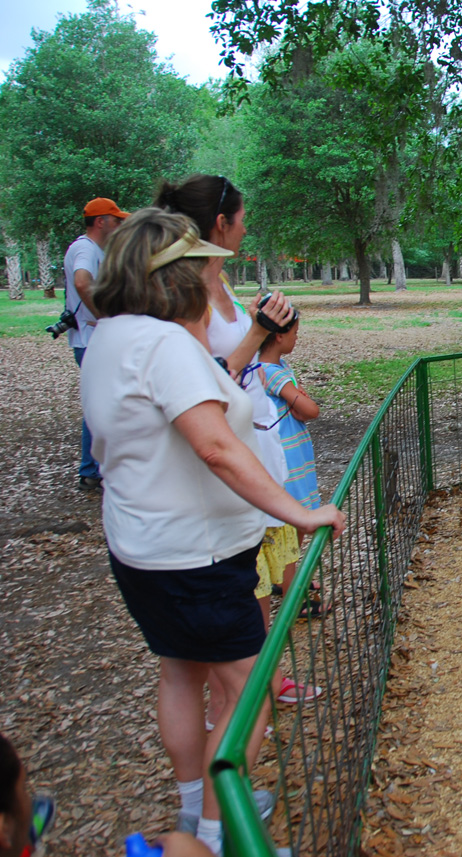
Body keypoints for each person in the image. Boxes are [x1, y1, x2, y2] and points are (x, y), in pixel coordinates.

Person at [80, 208, 346, 855]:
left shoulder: (114, 335)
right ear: (176, 275)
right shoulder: (166, 343)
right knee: (251, 689)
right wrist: (299, 510)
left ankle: (198, 801)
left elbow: (194, 397)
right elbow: (217, 447)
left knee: (181, 671)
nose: (212, 278)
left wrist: (251, 336)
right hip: (196, 557)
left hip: (143, 551)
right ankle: (217, 834)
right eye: (203, 267)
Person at [154, 176, 317, 713]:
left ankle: (264, 691)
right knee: (241, 617)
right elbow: (205, 380)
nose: (247, 226)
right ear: (220, 224)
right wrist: (257, 333)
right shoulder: (189, 290)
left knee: (264, 597)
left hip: (256, 451)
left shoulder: (218, 284)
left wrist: (255, 322)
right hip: (225, 471)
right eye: (241, 217)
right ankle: (244, 730)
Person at [259, 315, 329, 622]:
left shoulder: (274, 369)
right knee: (291, 527)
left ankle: (284, 579)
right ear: (277, 336)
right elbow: (309, 409)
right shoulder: (271, 372)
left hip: (293, 454)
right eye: (295, 333)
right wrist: (301, 399)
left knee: (293, 528)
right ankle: (292, 598)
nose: (297, 338)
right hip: (287, 461)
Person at [63, 198, 128, 490]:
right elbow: (81, 281)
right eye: (115, 220)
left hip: (93, 339)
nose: (119, 225)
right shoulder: (85, 249)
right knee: (100, 404)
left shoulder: (94, 249)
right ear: (100, 221)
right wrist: (104, 317)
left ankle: (97, 467)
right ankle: (91, 470)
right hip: (91, 339)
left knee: (104, 401)